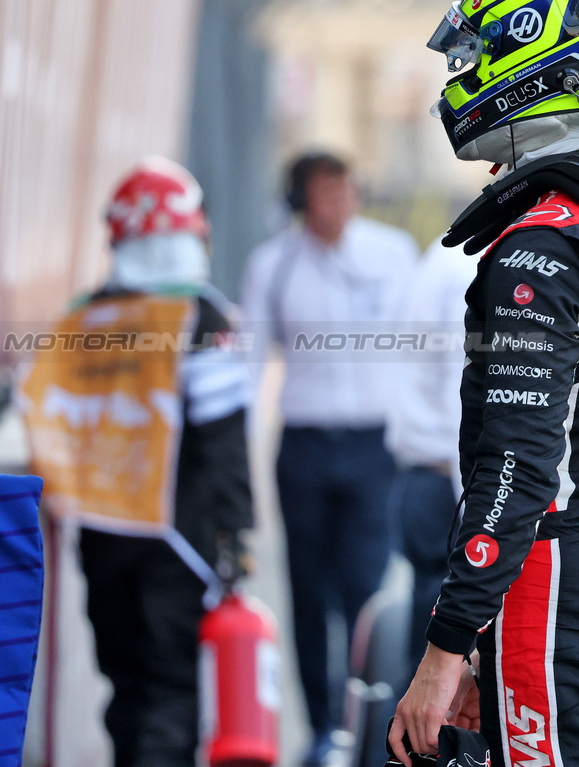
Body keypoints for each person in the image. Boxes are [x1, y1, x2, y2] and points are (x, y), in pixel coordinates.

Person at [390, 0, 579, 767]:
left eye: (479, 54)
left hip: (554, 585)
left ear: (544, 59)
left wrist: (447, 648)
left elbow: (517, 466)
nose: (461, 76)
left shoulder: (541, 245)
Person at [18, 157, 253, 767]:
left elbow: (43, 414)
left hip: (100, 533)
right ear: (193, 230)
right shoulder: (203, 318)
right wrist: (237, 539)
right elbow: (225, 440)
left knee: (124, 688)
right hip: (180, 540)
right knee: (170, 693)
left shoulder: (80, 317)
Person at [240, 150, 418, 764]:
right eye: (325, 191)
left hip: (374, 446)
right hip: (305, 447)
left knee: (364, 591)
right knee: (308, 592)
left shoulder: (393, 254)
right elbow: (249, 363)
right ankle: (321, 728)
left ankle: (367, 724)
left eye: (346, 188)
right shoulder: (274, 265)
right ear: (299, 201)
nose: (339, 201)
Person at [384, 235, 479, 666]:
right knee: (442, 657)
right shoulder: (468, 267)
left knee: (424, 654)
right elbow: (461, 392)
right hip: (447, 483)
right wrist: (479, 506)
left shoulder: (443, 258)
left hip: (424, 477)